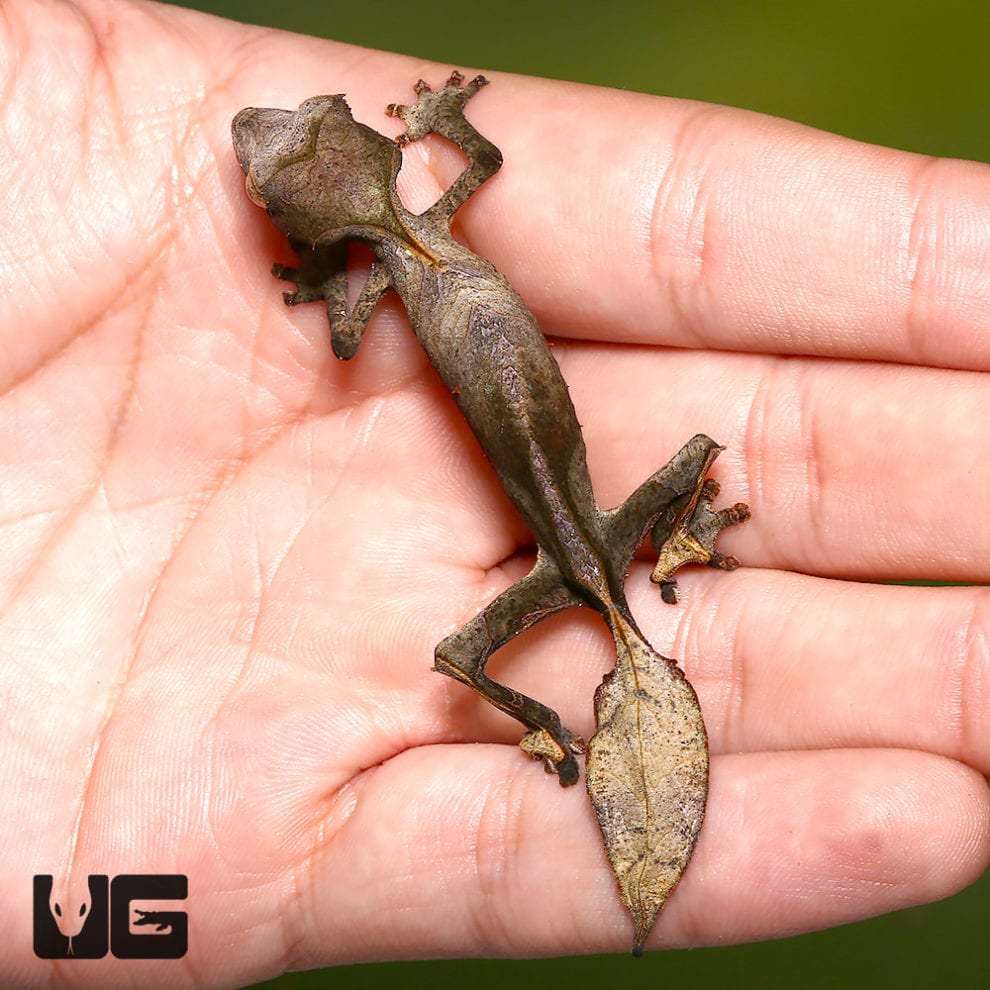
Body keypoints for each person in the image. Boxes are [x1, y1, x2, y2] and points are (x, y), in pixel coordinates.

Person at [3, 0, 988, 984]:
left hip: (576, 557)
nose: (268, 147)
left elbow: (345, 340)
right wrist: (444, 123)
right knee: (694, 452)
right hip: (597, 539)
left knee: (455, 658)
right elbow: (485, 163)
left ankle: (550, 720)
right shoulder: (433, 215)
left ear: (318, 212)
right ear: (381, 160)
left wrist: (322, 277)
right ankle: (679, 537)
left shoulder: (377, 279)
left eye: (292, 155)